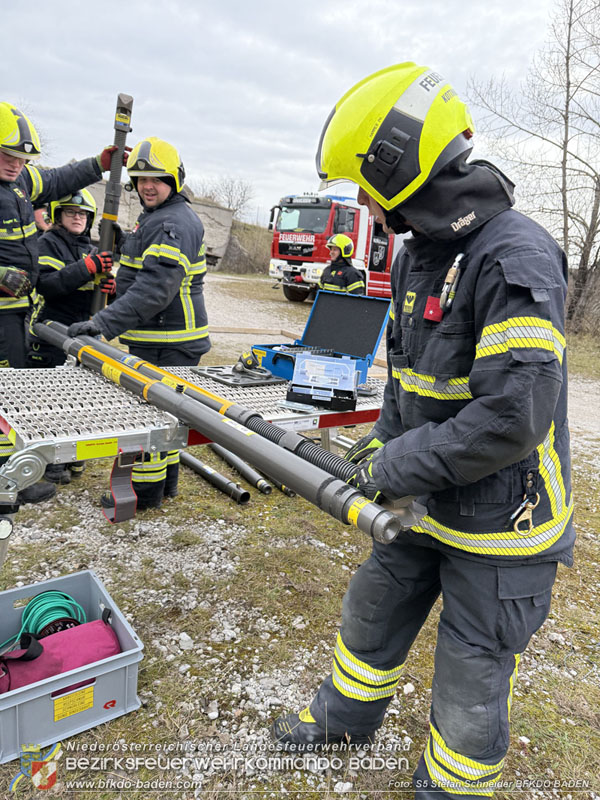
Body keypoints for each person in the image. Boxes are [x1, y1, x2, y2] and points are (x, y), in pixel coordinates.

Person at [271, 62, 574, 799]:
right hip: (426, 501)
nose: (366, 204)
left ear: (399, 166)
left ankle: (452, 787)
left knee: (471, 668)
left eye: (367, 186)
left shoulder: (514, 256)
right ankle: (342, 723)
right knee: (371, 611)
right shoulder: (418, 255)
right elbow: (413, 381)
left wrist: (394, 467)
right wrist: (381, 441)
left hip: (504, 523)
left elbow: (510, 418)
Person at [68, 137, 210, 510]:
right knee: (170, 418)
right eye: (140, 178)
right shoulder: (160, 217)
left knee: (153, 420)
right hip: (164, 338)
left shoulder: (171, 223)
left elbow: (155, 291)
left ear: (174, 180)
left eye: (157, 179)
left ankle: (145, 495)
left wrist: (101, 323)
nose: (147, 186)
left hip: (170, 341)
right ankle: (166, 487)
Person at [0, 101, 123, 506]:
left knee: (10, 394)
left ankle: (11, 477)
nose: (16, 164)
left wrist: (97, 163)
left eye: (22, 158)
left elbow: (55, 178)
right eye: (7, 155)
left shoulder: (20, 185)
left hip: (14, 314)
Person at [27, 189, 114, 483]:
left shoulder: (90, 247)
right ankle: (49, 468)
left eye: (83, 214)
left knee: (78, 400)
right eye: (71, 213)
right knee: (49, 402)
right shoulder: (48, 243)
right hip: (51, 334)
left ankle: (73, 459)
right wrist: (86, 269)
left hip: (80, 334)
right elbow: (48, 285)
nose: (77, 218)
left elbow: (92, 296)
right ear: (58, 216)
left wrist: (109, 293)